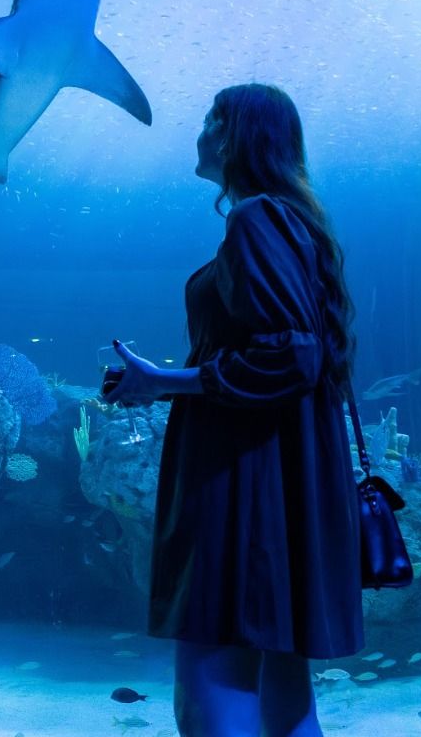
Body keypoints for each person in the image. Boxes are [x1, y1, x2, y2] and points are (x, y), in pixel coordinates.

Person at [102, 84, 363, 737]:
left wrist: (165, 379)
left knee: (211, 685)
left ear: (232, 135)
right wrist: (167, 379)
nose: (197, 133)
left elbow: (290, 355)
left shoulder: (255, 220)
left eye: (208, 119)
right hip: (284, 480)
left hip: (245, 483)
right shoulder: (293, 221)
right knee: (282, 694)